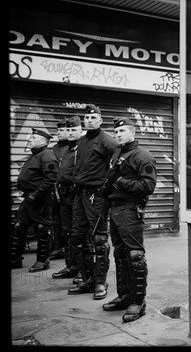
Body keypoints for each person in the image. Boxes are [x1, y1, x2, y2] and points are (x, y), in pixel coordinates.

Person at [99, 117, 156, 322]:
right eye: (117, 132)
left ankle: (138, 302)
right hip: (115, 210)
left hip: (131, 210)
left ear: (133, 132)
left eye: (123, 131)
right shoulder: (117, 153)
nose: (119, 134)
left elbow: (148, 186)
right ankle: (124, 296)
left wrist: (121, 181)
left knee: (135, 255)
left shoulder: (142, 155)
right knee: (121, 254)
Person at [68, 104, 118, 300]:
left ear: (100, 120)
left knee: (99, 239)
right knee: (78, 237)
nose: (89, 120)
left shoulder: (107, 141)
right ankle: (88, 279)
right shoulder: (81, 141)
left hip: (96, 196)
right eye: (86, 118)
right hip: (79, 195)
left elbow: (116, 167)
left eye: (93, 117)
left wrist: (106, 190)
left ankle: (100, 282)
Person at [10, 128, 58, 272]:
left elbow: (50, 179)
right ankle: (15, 259)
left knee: (43, 229)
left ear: (43, 141)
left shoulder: (47, 156)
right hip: (29, 198)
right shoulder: (35, 155)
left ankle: (43, 261)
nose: (29, 140)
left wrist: (36, 195)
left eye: (33, 138)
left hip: (41, 199)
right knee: (19, 226)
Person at [52, 116, 84, 279]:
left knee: (80, 232)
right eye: (68, 130)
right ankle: (71, 265)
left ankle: (82, 269)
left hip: (77, 193)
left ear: (81, 131)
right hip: (64, 194)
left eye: (73, 130)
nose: (70, 133)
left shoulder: (83, 148)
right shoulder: (65, 149)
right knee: (67, 231)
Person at [48, 118, 69, 260]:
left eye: (62, 130)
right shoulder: (54, 148)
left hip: (68, 189)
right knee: (56, 219)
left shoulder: (74, 147)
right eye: (58, 131)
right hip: (55, 188)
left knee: (67, 220)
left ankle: (69, 249)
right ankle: (58, 247)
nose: (59, 133)